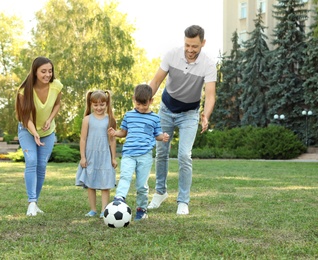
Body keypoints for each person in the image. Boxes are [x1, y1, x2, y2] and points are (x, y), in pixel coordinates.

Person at [147, 25, 217, 215]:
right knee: (161, 153)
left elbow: (210, 96)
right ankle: (160, 192)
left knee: (185, 155)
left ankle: (183, 201)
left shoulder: (209, 65)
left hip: (189, 114)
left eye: (194, 46)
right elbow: (155, 82)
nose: (190, 50)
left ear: (203, 43)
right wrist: (143, 104)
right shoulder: (172, 55)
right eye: (187, 45)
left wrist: (206, 115)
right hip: (166, 110)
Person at [108, 84, 169, 221]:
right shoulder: (129, 115)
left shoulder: (154, 118)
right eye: (138, 103)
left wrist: (163, 137)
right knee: (125, 177)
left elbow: (157, 134)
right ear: (133, 99)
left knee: (141, 185)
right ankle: (119, 198)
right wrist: (115, 133)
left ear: (151, 101)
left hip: (145, 155)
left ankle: (141, 209)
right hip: (129, 153)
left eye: (144, 104)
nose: (141, 107)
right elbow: (123, 132)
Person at [15, 56, 63, 216]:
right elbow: (25, 116)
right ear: (35, 72)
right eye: (43, 71)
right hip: (27, 129)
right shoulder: (24, 91)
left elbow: (57, 104)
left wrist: (50, 119)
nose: (47, 74)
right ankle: (31, 202)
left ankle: (35, 203)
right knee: (32, 161)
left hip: (48, 132)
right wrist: (35, 133)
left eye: (50, 71)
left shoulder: (56, 86)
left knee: (41, 165)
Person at [76, 90, 117, 218]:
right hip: (91, 155)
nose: (99, 108)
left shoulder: (110, 119)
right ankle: (93, 209)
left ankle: (104, 209)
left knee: (105, 184)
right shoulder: (87, 119)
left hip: (105, 155)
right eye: (96, 105)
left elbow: (112, 140)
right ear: (91, 104)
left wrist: (113, 158)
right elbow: (83, 139)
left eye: (102, 104)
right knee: (91, 183)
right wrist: (83, 157)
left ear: (107, 104)